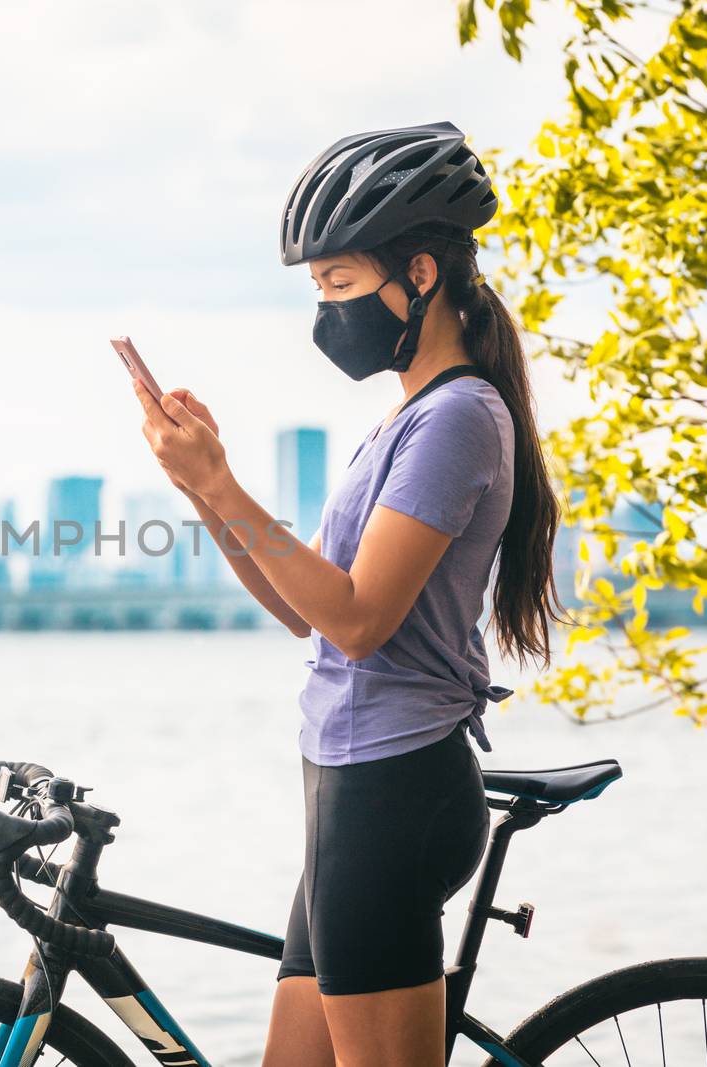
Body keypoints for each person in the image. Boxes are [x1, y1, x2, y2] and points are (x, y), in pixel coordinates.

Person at [130, 120, 568, 1067]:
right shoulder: (406, 421)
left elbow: (361, 622)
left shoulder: (456, 417)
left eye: (339, 285)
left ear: (418, 275)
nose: (326, 313)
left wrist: (221, 484)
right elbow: (306, 608)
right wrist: (204, 486)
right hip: (346, 793)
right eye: (318, 290)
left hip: (392, 793)